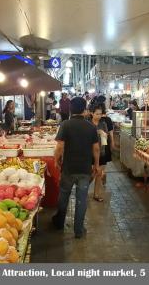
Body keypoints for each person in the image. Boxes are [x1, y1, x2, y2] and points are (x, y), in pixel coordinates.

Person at [52, 97, 100, 238]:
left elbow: (60, 146)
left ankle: (60, 223)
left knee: (63, 197)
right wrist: (96, 165)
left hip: (68, 169)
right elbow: (96, 149)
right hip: (85, 170)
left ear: (71, 109)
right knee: (81, 200)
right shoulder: (91, 126)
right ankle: (79, 231)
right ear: (84, 110)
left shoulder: (65, 125)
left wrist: (56, 160)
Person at [89, 103, 108, 202]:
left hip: (102, 151)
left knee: (99, 173)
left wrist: (103, 134)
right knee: (92, 173)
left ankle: (96, 194)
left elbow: (106, 136)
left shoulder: (103, 124)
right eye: (97, 114)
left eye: (100, 114)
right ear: (92, 113)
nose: (99, 116)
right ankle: (84, 189)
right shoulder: (88, 124)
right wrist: (97, 132)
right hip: (90, 152)